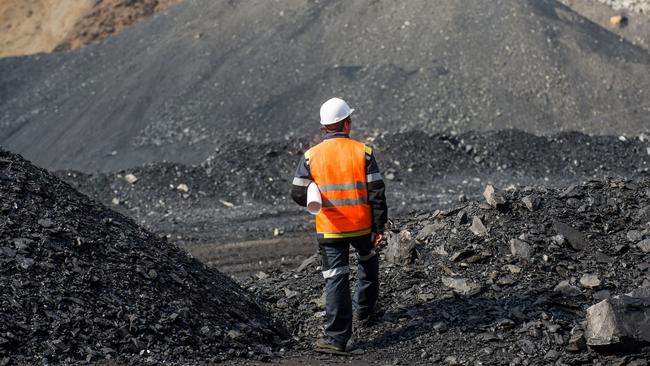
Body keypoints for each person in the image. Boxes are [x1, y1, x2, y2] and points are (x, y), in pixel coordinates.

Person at [291, 97, 388, 353]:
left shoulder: (311, 156)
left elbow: (297, 193)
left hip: (330, 229)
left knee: (336, 278)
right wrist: (379, 227)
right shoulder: (363, 152)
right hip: (361, 226)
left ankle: (336, 339)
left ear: (324, 127)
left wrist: (314, 192)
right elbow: (377, 192)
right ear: (346, 124)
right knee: (368, 261)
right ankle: (366, 311)